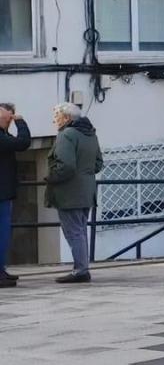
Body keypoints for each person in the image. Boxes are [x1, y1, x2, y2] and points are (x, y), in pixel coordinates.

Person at [45, 103, 102, 285]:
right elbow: (98, 163)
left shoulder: (66, 135)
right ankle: (82, 268)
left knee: (74, 232)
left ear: (67, 118)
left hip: (69, 192)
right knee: (81, 230)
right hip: (87, 191)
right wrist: (84, 174)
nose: (55, 119)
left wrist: (51, 177)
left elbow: (66, 166)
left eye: (57, 115)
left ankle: (80, 270)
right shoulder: (90, 134)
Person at [0, 103, 30, 288]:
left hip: (4, 192)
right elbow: (23, 143)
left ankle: (1, 270)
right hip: (1, 193)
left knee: (3, 233)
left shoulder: (3, 135)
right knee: (1, 233)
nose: (10, 121)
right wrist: (21, 122)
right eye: (7, 118)